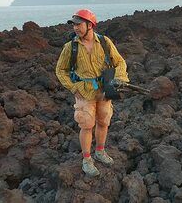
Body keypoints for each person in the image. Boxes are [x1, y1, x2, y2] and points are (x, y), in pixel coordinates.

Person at [55, 9, 129, 177]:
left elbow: (119, 62)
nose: (75, 28)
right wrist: (73, 88)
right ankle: (87, 159)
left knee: (104, 121)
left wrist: (119, 78)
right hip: (84, 91)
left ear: (90, 25)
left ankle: (100, 152)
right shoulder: (70, 47)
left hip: (105, 90)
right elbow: (60, 70)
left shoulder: (104, 42)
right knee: (86, 124)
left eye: (78, 24)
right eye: (73, 25)